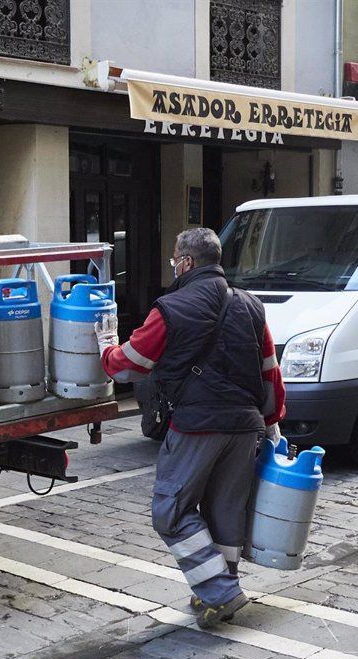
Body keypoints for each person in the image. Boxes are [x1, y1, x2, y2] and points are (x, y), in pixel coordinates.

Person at [95, 227, 285, 628]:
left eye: (174, 260)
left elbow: (130, 365)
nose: (173, 267)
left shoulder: (171, 307)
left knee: (171, 509)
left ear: (186, 263)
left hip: (198, 424)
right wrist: (271, 425)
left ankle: (220, 591)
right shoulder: (251, 305)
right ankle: (214, 594)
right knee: (225, 512)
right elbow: (270, 371)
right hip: (244, 426)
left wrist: (106, 348)